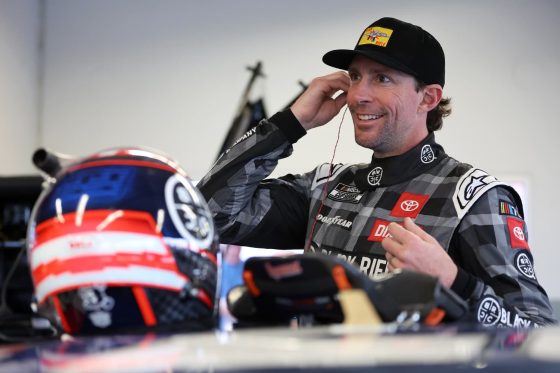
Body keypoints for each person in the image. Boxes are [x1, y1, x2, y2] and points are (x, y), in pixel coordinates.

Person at [198, 17, 556, 327]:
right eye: (355, 77)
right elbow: (207, 216)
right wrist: (291, 122)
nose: (357, 96)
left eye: (382, 78)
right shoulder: (324, 187)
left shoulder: (474, 197)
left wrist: (455, 282)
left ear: (428, 98)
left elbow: (535, 330)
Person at [219, 244, 245, 330]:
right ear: (227, 250)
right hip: (224, 319)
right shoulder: (219, 269)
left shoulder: (245, 267)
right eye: (233, 248)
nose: (235, 251)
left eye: (238, 248)